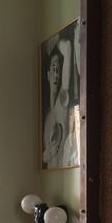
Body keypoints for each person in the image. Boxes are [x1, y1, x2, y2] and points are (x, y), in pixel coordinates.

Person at [41, 41, 79, 169]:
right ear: (48, 75)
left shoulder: (62, 99)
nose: (56, 73)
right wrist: (46, 154)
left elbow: (67, 46)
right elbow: (43, 157)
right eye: (53, 68)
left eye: (58, 68)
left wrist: (55, 43)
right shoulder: (47, 115)